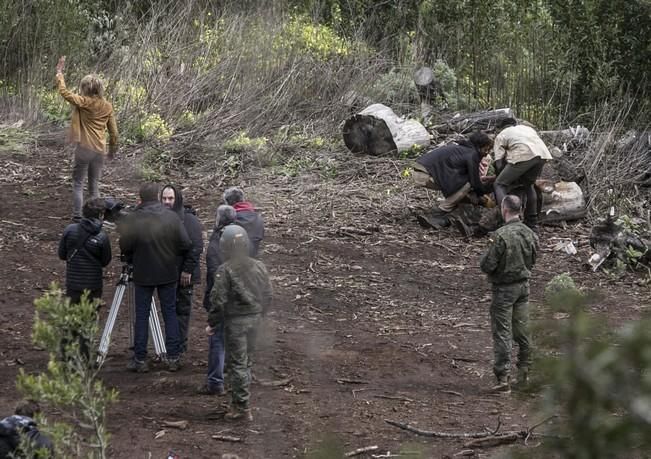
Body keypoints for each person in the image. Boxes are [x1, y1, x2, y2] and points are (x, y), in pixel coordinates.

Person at [119, 182, 192, 372]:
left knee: (141, 316)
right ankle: (174, 357)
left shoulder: (134, 219)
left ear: (141, 197)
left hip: (143, 273)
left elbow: (124, 246)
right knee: (169, 313)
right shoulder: (171, 217)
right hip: (167, 272)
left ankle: (140, 359)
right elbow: (185, 243)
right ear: (157, 196)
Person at [206, 225, 272, 421]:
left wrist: (212, 323)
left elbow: (218, 300)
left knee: (237, 364)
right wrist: (261, 313)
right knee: (247, 363)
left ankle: (241, 407)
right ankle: (239, 401)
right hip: (255, 320)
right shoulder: (259, 266)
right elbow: (268, 294)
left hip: (236, 323)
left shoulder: (225, 270)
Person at [480, 195, 538, 393]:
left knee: (503, 332)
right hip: (523, 287)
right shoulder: (530, 233)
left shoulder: (500, 235)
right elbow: (533, 259)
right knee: (523, 330)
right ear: (520, 209)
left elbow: (487, 264)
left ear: (504, 210)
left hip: (504, 289)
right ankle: (524, 374)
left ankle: (503, 377)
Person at [55, 56, 118, 222]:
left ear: (85, 88)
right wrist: (112, 150)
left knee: (78, 183)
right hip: (99, 150)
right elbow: (114, 132)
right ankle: (95, 217)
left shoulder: (83, 102)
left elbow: (65, 93)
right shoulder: (107, 106)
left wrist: (59, 74)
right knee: (94, 185)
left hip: (84, 149)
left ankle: (77, 217)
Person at [160, 184, 204, 355]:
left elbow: (196, 246)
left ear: (177, 199)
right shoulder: (162, 217)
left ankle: (180, 346)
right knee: (169, 309)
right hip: (168, 272)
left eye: (170, 198)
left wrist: (187, 270)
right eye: (164, 198)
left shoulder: (189, 219)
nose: (167, 202)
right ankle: (171, 344)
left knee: (182, 310)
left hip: (185, 273)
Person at [199, 205, 238, 395]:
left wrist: (213, 300)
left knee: (217, 339)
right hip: (239, 296)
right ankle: (232, 378)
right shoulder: (240, 236)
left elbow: (215, 273)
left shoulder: (219, 240)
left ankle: (215, 382)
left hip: (222, 296)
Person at [412, 131, 494, 213]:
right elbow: (474, 182)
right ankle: (442, 210)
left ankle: (457, 202)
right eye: (485, 149)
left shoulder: (461, 147)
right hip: (424, 175)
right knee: (468, 184)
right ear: (479, 146)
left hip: (419, 171)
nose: (486, 153)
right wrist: (484, 192)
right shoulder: (472, 154)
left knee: (464, 183)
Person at [493, 119, 552, 232]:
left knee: (499, 184)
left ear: (501, 128)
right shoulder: (527, 129)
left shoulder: (501, 135)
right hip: (542, 154)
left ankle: (507, 220)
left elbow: (498, 163)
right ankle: (532, 223)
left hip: (523, 155)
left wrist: (503, 176)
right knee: (528, 185)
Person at [222, 187, 264, 257]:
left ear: (227, 203)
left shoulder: (230, 219)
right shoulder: (257, 217)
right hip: (253, 257)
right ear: (242, 199)